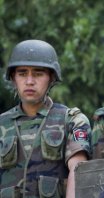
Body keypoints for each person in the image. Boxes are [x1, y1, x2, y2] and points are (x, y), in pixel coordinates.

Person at [0, 40, 91, 197]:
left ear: (51, 78)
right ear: (14, 78)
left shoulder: (71, 120)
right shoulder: (2, 124)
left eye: (38, 73)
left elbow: (78, 171)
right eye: (22, 73)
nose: (29, 81)